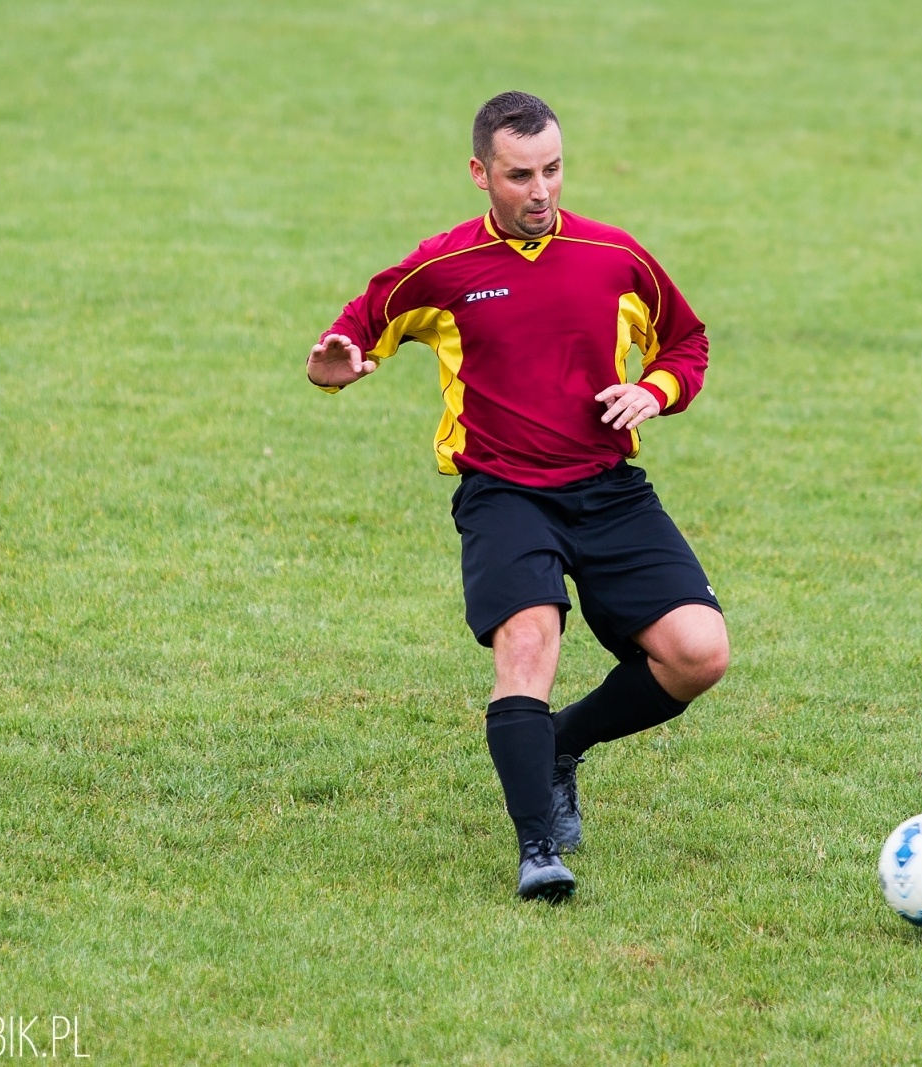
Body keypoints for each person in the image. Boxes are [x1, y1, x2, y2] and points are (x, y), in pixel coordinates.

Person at [306, 91, 728, 902]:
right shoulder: (442, 267)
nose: (541, 191)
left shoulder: (615, 257)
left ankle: (561, 743)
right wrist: (335, 363)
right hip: (504, 493)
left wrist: (660, 388)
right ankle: (539, 848)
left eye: (554, 170)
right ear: (480, 173)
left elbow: (687, 339)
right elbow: (356, 329)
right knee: (529, 645)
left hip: (608, 490)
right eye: (521, 175)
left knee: (699, 653)